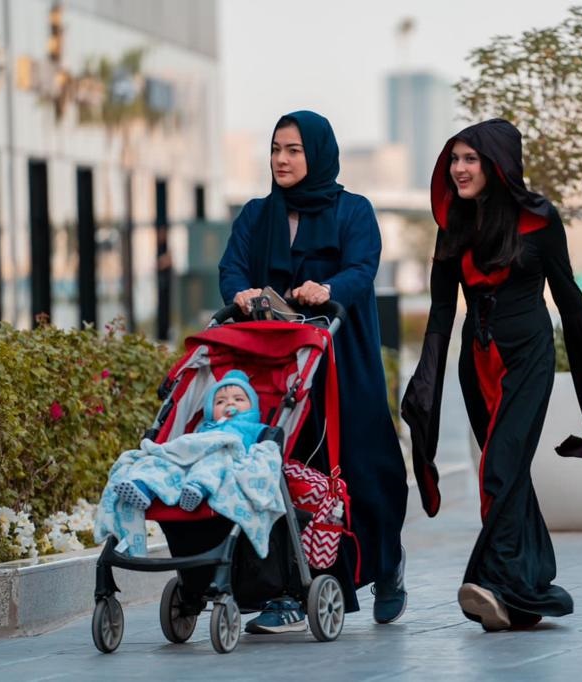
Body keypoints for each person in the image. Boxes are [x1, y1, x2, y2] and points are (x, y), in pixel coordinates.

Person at [402, 118, 582, 631]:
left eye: (470, 159)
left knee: (500, 468)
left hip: (527, 357)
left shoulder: (540, 219)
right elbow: (442, 313)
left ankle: (491, 582)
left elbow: (568, 296)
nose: (459, 169)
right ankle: (526, 591)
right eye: (455, 159)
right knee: (508, 474)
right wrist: (425, 382)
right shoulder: (453, 225)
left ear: (497, 163)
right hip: (476, 363)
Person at [218, 110, 408, 633]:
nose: (281, 159)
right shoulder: (256, 216)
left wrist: (329, 289)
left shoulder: (354, 211)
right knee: (288, 472)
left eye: (293, 150)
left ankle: (386, 564)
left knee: (365, 467)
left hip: (344, 359)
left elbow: (362, 268)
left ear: (318, 154)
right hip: (279, 366)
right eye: (276, 149)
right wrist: (239, 292)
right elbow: (231, 266)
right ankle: (291, 588)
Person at [112, 369, 266, 512]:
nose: (230, 403)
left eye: (238, 399)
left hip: (224, 458)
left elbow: (265, 446)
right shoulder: (205, 428)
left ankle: (198, 487)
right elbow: (191, 445)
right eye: (220, 402)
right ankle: (143, 486)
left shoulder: (252, 427)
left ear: (252, 407)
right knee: (166, 464)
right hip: (192, 460)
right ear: (210, 411)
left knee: (215, 462)